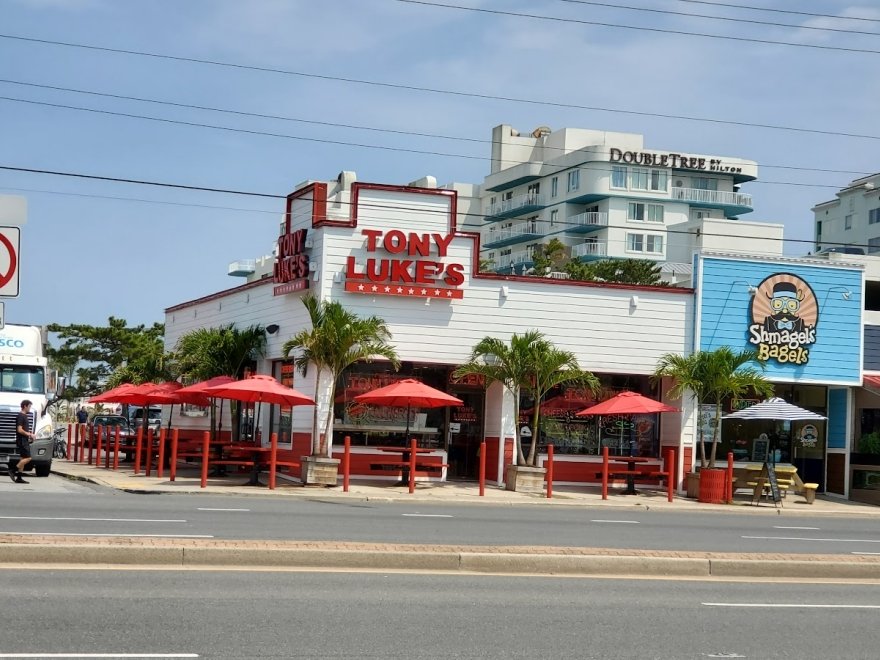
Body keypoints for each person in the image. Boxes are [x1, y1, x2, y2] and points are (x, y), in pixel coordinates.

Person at [10, 399, 35, 484]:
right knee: (28, 458)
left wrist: (29, 435)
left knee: (23, 458)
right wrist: (29, 434)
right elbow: (19, 430)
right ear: (25, 406)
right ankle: (13, 470)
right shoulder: (21, 416)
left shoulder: (24, 416)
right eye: (29, 406)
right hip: (22, 440)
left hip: (24, 440)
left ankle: (19, 477)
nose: (30, 408)